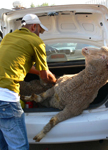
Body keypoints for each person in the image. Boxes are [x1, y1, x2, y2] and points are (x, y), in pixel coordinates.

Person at [0, 14, 57, 150]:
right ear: (33, 26)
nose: (40, 35)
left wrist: (37, 71)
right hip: (6, 100)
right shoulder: (36, 42)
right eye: (40, 31)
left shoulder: (8, 37)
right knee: (19, 146)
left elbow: (15, 63)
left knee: (3, 145)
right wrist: (55, 81)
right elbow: (45, 77)